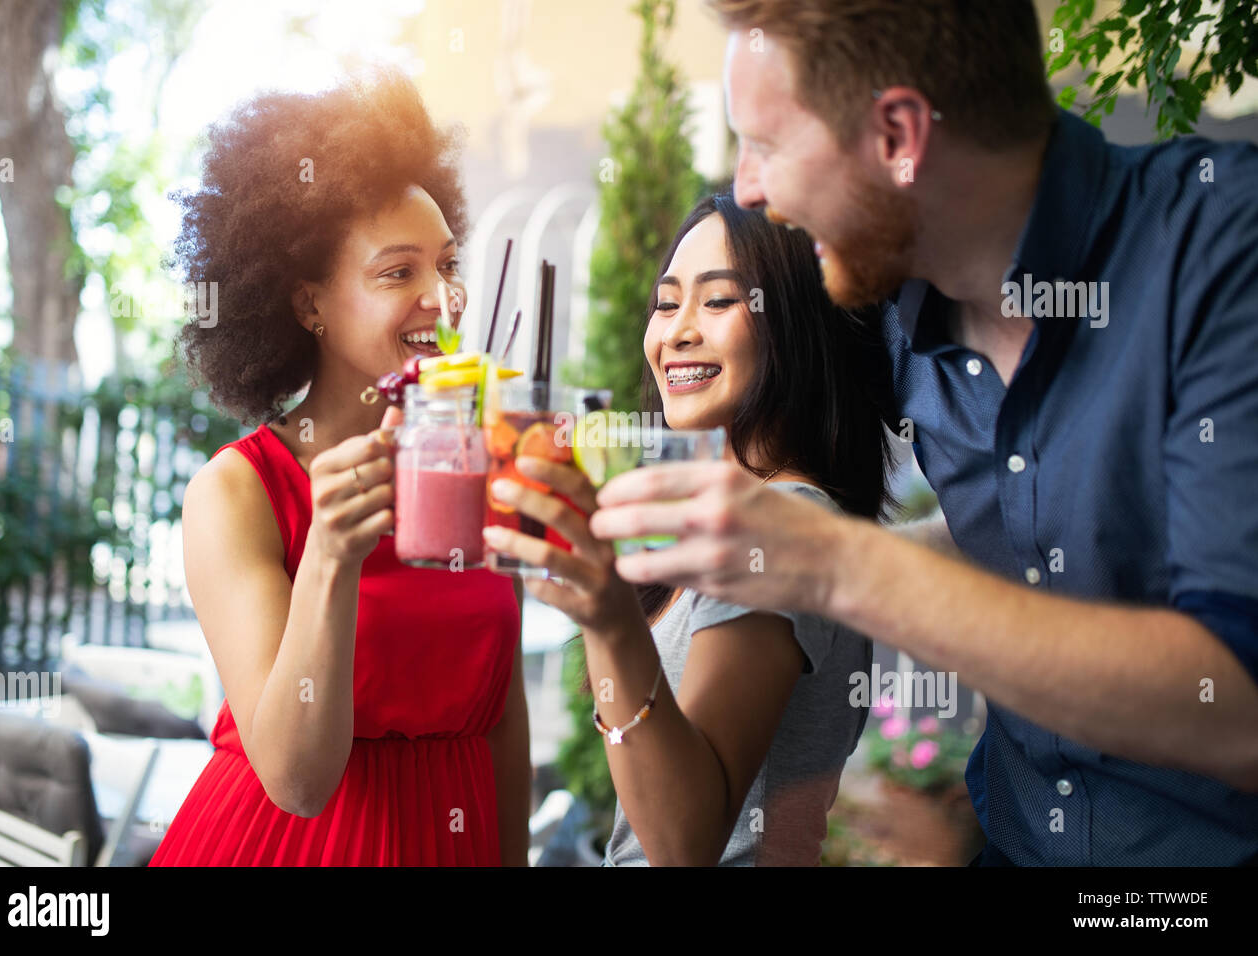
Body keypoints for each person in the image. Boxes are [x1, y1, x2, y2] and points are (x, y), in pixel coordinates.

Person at [590, 0, 1258, 866]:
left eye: (767, 144)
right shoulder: (894, 310)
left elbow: (1236, 702)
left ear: (900, 136)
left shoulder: (1220, 255)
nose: (748, 188)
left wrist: (831, 562)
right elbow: (1047, 534)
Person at [148, 69, 529, 866]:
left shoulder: (481, 461)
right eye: (399, 273)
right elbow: (296, 780)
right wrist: (329, 555)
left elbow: (501, 717)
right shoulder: (237, 493)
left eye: (447, 264)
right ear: (308, 304)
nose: (445, 298)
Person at [482, 191, 894, 865]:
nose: (676, 331)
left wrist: (608, 617)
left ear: (793, 321)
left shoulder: (777, 527)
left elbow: (683, 845)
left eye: (720, 301)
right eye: (667, 303)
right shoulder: (720, 521)